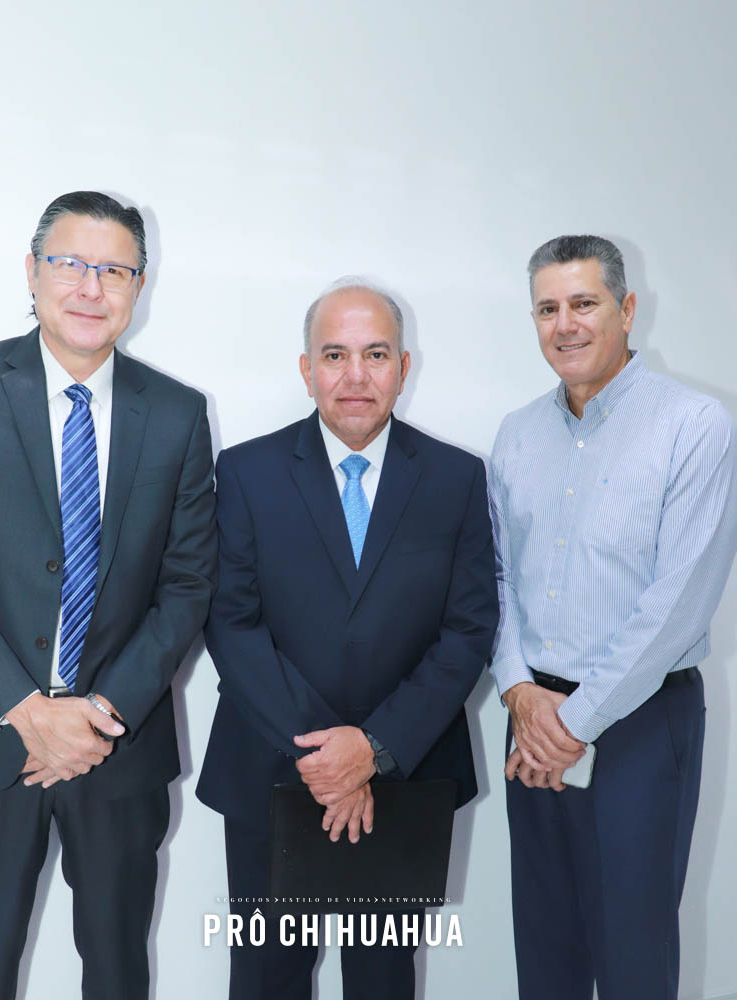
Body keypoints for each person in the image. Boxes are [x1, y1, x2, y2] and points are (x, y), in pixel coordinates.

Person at [0, 191, 217, 1000]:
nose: (92, 288)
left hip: (116, 749)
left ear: (139, 286)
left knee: (119, 971)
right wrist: (27, 709)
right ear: (32, 272)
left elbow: (186, 585)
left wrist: (97, 715)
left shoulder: (177, 413)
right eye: (70, 264)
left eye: (115, 271)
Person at [197, 277, 498, 999]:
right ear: (307, 369)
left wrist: (374, 748)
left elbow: (468, 630)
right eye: (335, 355)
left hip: (405, 773)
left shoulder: (456, 478)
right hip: (272, 769)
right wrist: (328, 754)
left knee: (383, 981)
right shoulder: (247, 471)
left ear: (403, 367)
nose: (355, 375)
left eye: (376, 354)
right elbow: (230, 622)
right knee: (266, 980)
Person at [488, 234, 737, 1000]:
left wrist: (573, 723)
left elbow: (679, 601)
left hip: (639, 722)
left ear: (627, 310)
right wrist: (519, 692)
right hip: (531, 716)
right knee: (546, 951)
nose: (565, 325)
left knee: (633, 956)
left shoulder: (694, 425)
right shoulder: (517, 433)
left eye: (584, 303)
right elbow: (494, 578)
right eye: (547, 309)